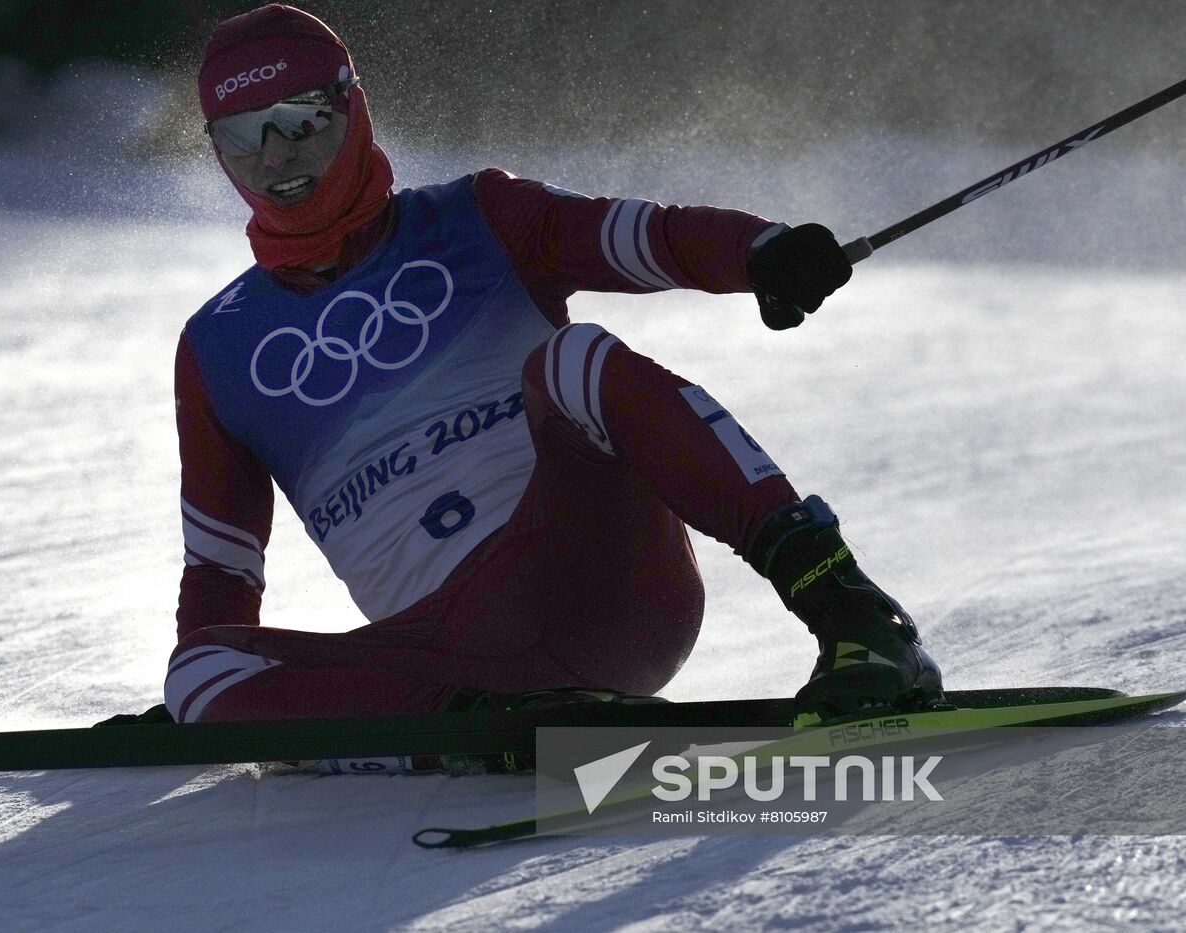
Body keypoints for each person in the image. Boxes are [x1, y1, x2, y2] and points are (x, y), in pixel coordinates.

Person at [164, 4, 943, 730]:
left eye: (303, 120)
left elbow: (645, 237)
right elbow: (220, 571)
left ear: (352, 106)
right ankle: (471, 727)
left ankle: (856, 620)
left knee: (572, 360)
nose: (277, 156)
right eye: (244, 134)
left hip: (601, 584)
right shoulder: (216, 346)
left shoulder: (478, 215)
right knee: (199, 672)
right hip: (446, 655)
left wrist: (759, 251)